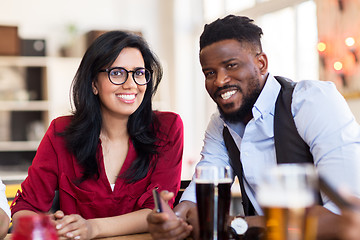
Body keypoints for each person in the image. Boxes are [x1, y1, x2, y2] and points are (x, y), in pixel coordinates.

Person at [147, 15, 360, 240]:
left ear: (261, 63)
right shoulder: (220, 125)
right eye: (209, 73)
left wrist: (234, 224)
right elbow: (200, 198)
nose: (219, 81)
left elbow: (348, 216)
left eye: (231, 65)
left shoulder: (312, 101)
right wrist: (174, 219)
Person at [11, 31, 183, 239]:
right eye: (117, 73)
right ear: (93, 83)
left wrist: (92, 228)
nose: (131, 84)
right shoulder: (61, 133)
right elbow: (25, 207)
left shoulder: (167, 128)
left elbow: (158, 210)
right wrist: (48, 225)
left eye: (139, 73)